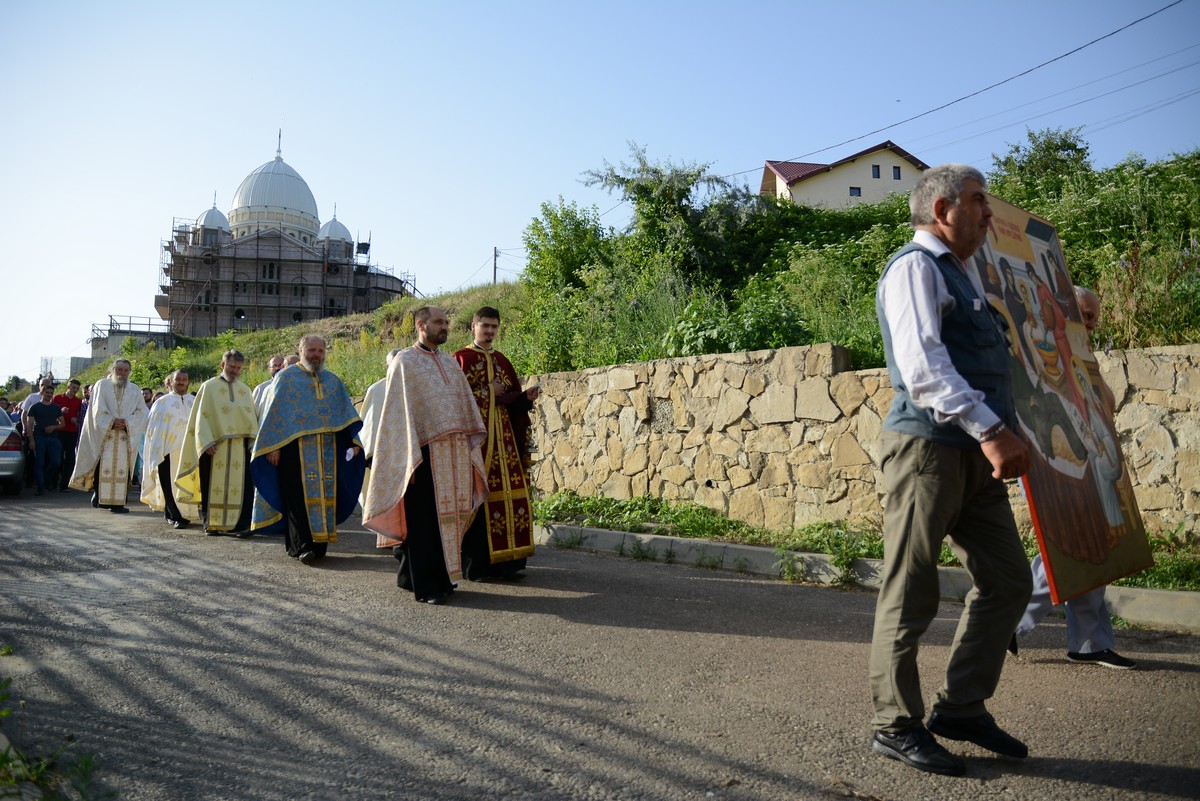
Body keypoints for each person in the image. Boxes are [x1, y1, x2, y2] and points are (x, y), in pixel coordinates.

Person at [869, 164, 1032, 777]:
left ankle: (961, 707)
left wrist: (1080, 303)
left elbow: (1023, 311)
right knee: (911, 589)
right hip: (929, 452)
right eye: (977, 201)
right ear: (941, 211)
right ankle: (895, 723)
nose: (989, 213)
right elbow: (925, 368)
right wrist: (993, 432)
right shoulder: (914, 267)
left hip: (971, 453)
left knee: (1009, 581)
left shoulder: (969, 273)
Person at [1010, 286, 1135, 670]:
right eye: (1085, 312)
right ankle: (1007, 622)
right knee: (1068, 547)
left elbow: (1107, 404)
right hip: (1054, 459)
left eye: (1095, 314)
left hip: (1086, 461)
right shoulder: (1039, 344)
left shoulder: (1080, 352)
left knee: (1090, 548)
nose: (1093, 320)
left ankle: (1088, 642)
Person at [363, 305, 487, 605]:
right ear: (421, 325)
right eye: (438, 322)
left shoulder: (449, 361)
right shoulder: (405, 362)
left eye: (446, 321)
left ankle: (440, 577)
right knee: (424, 522)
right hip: (423, 453)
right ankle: (427, 586)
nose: (445, 326)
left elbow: (465, 406)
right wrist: (408, 457)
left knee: (450, 519)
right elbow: (398, 415)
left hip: (454, 453)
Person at [250, 334, 365, 564]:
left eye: (320, 351)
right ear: (301, 351)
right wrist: (273, 446)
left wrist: (354, 441)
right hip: (294, 449)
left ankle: (319, 545)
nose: (316, 355)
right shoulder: (285, 378)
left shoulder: (332, 380)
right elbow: (274, 416)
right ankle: (301, 545)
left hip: (327, 451)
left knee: (325, 498)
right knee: (296, 497)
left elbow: (345, 415)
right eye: (312, 350)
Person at [453, 306, 539, 580]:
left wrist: (524, 398)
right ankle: (478, 566)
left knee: (513, 498)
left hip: (506, 444)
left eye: (494, 327)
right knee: (481, 499)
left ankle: (509, 564)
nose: (490, 331)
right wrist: (490, 391)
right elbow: (457, 401)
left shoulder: (502, 360)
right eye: (485, 325)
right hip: (479, 446)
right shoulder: (461, 359)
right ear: (474, 327)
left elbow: (510, 400)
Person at [175, 351, 258, 535]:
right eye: (231, 367)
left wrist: (252, 442)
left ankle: (240, 525)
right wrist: (205, 442)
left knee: (242, 487)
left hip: (239, 447)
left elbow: (251, 419)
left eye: (237, 368)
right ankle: (211, 524)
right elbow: (200, 418)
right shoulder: (208, 387)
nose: (234, 371)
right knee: (210, 485)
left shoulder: (245, 390)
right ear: (222, 365)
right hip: (214, 447)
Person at [70, 360, 149, 513]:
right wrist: (111, 422)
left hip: (125, 436)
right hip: (105, 434)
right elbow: (96, 409)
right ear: (113, 370)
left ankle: (118, 503)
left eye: (126, 370)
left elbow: (142, 412)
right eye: (119, 369)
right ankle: (100, 497)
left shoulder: (134, 389)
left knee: (123, 469)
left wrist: (127, 422)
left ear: (130, 372)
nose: (122, 373)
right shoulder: (102, 385)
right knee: (101, 466)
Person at [140, 370, 197, 529]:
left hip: (188, 451)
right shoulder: (162, 402)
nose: (181, 382)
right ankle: (177, 515)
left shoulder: (194, 401)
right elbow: (153, 428)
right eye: (178, 379)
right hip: (167, 450)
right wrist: (157, 450)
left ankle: (177, 513)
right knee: (168, 484)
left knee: (184, 484)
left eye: (184, 379)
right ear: (171, 382)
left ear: (188, 382)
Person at [357, 348, 402, 508]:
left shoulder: (416, 387)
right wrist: (370, 456)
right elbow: (370, 425)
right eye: (393, 364)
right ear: (386, 366)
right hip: (382, 458)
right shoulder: (376, 390)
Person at [25, 383, 65, 496]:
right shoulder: (35, 407)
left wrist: (54, 427)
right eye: (47, 392)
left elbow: (63, 424)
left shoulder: (56, 407)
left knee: (56, 462)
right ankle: (40, 488)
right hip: (39, 437)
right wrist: (32, 440)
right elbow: (30, 424)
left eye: (51, 393)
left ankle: (47, 477)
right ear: (42, 392)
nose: (49, 395)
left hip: (53, 438)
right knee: (39, 463)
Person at [52, 379, 83, 492]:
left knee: (70, 459)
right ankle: (53, 482)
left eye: (76, 388)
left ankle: (65, 484)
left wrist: (76, 419)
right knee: (57, 458)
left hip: (71, 432)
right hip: (59, 431)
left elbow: (80, 415)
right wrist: (60, 411)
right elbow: (51, 412)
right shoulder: (57, 398)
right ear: (68, 387)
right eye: (73, 387)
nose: (74, 390)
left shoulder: (78, 401)